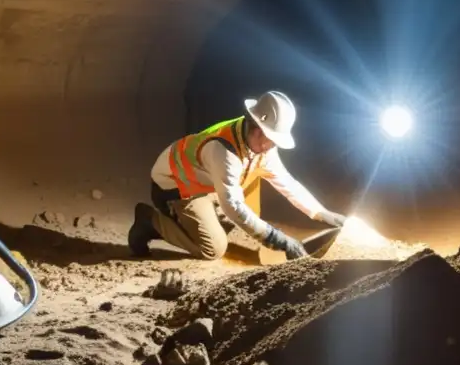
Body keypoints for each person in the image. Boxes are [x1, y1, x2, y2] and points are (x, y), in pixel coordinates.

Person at [128, 91, 347, 261]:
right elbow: (234, 206)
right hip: (175, 187)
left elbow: (285, 182)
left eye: (274, 139)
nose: (270, 145)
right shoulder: (223, 150)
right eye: (268, 137)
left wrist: (320, 212)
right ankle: (150, 221)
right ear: (255, 125)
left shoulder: (260, 145)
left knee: (239, 219)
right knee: (213, 248)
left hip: (205, 183)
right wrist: (279, 241)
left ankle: (206, 214)